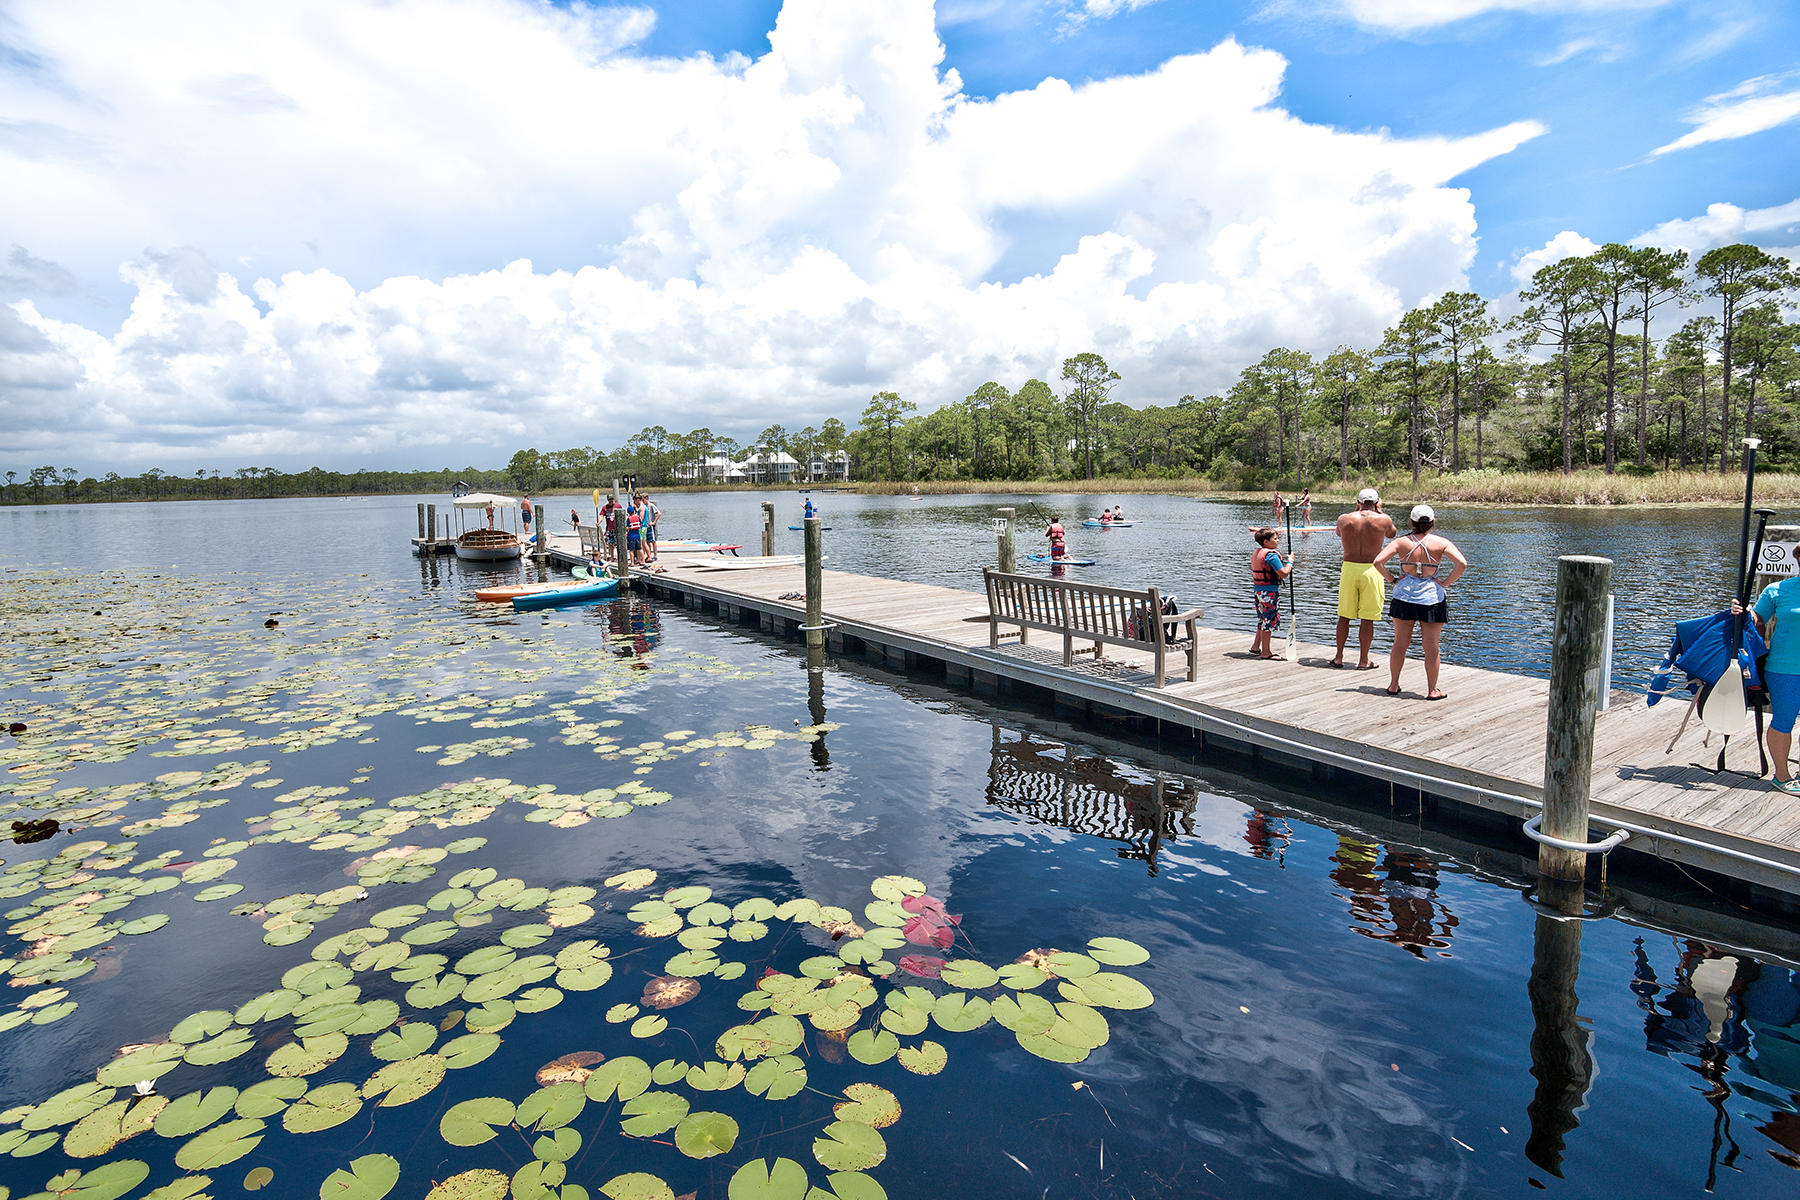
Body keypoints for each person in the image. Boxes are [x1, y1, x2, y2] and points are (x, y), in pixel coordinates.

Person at [1373, 504, 1467, 700]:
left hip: (1403, 597)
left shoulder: (1401, 543)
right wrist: (1445, 583)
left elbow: (1377, 562)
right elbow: (1462, 563)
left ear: (1411, 522)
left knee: (1400, 643)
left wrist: (1391, 579)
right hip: (1431, 599)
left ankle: (1393, 684)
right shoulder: (1440, 543)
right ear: (1432, 522)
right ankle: (1432, 690)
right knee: (1431, 646)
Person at [1739, 569, 1800, 792]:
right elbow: (1755, 618)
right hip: (1785, 668)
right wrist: (1744, 612)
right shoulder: (1778, 590)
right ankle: (1782, 777)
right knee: (1784, 722)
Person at [1333, 487, 1397, 669]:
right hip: (1372, 569)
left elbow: (1339, 533)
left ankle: (1339, 657)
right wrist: (1381, 511)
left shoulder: (1344, 518)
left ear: (1358, 502)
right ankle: (1363, 660)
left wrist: (1356, 511)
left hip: (1349, 568)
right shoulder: (1383, 519)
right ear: (1377, 502)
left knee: (1344, 615)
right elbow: (1392, 533)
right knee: (1367, 618)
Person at [1249, 527, 1293, 660]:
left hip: (1258, 590)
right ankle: (1266, 652)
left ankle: (1256, 646)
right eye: (1275, 538)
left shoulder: (1258, 552)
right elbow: (1284, 573)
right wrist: (1290, 561)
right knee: (1268, 620)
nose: (1278, 540)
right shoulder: (1271, 555)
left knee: (1263, 619)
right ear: (1266, 541)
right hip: (1269, 592)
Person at [641, 493, 659, 561]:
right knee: (647, 541)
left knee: (653, 541)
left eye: (643, 499)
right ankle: (649, 556)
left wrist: (654, 522)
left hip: (651, 526)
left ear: (647, 498)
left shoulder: (651, 505)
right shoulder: (643, 506)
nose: (642, 501)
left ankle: (655, 555)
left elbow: (658, 513)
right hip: (646, 526)